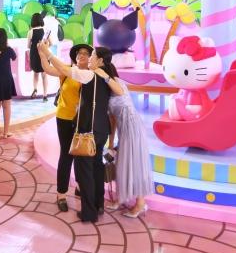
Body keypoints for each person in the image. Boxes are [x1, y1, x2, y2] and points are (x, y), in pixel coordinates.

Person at [39, 42, 123, 223]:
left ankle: (89, 211)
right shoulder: (105, 76)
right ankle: (96, 204)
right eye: (81, 53)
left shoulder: (88, 74)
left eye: (90, 55)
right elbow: (119, 91)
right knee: (93, 166)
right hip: (97, 128)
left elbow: (64, 69)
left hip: (87, 130)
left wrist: (47, 52)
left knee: (85, 170)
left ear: (99, 61)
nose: (86, 57)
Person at [40, 43, 93, 212]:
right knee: (66, 155)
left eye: (85, 53)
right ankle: (61, 194)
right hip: (64, 117)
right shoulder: (67, 70)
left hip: (83, 120)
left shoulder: (91, 74)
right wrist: (41, 52)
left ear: (91, 58)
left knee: (81, 154)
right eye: (79, 53)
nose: (81, 55)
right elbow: (48, 69)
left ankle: (79, 186)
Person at [106, 74, 153, 218]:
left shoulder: (115, 83)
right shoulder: (107, 88)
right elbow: (113, 119)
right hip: (124, 129)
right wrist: (110, 143)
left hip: (132, 127)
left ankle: (140, 203)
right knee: (122, 163)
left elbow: (120, 94)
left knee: (135, 164)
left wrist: (104, 76)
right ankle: (121, 198)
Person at [27, 12, 47, 101]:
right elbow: (51, 43)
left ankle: (35, 89)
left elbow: (28, 46)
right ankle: (45, 95)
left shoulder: (30, 32)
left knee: (35, 73)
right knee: (44, 75)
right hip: (44, 54)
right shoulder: (45, 30)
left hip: (34, 54)